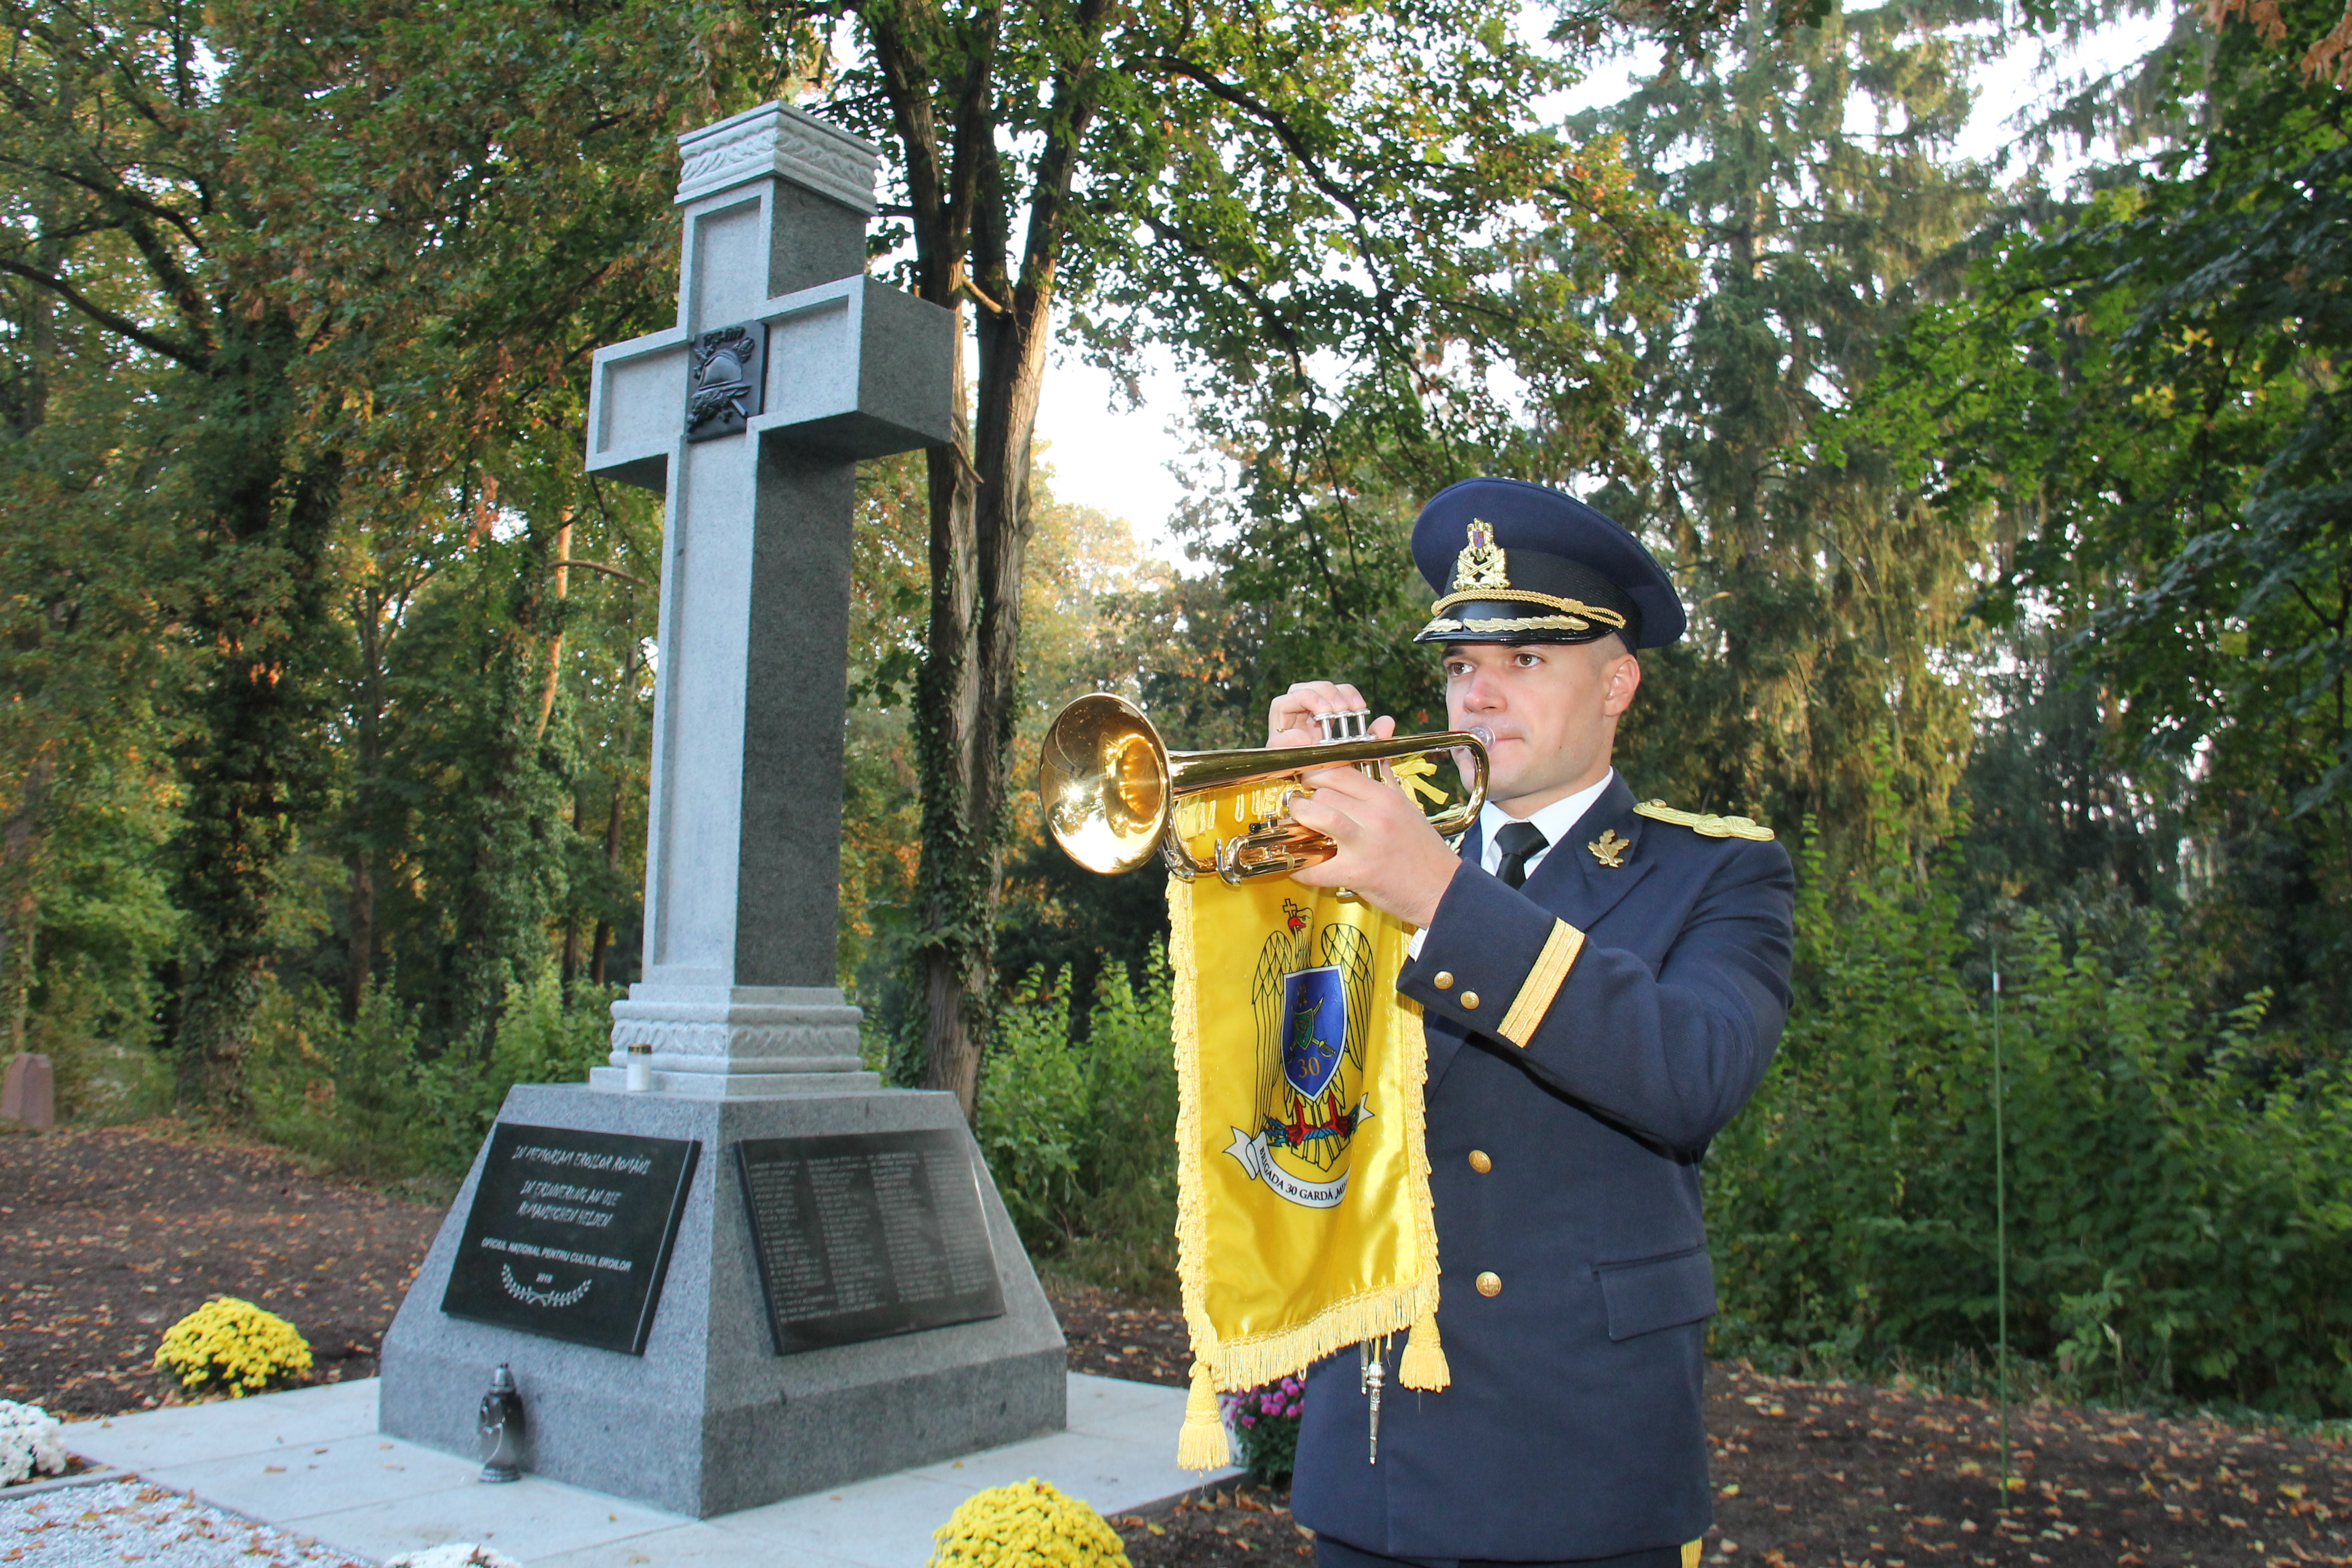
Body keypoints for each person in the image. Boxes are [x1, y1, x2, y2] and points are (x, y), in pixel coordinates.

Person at [1265, 477, 1796, 1568]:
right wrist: (1283, 847)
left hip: (1583, 1471)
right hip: (1377, 1461)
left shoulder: (1717, 869)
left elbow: (1692, 1073)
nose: (1480, 696)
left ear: (1619, 682)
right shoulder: (1380, 862)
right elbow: (1291, 1100)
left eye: (1526, 661)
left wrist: (1441, 897)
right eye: (1462, 664)